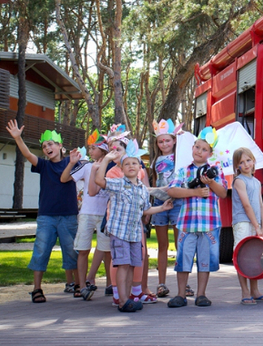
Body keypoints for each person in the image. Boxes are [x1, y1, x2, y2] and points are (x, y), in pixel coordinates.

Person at [94, 140, 173, 313]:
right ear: (122, 168)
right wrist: (106, 160)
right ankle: (122, 301)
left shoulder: (142, 189)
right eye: (127, 164)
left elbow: (145, 210)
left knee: (131, 265)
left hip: (135, 234)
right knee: (123, 265)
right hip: (120, 232)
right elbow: (99, 181)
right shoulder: (118, 183)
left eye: (134, 163)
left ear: (140, 168)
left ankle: (128, 298)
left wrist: (162, 208)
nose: (131, 166)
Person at [5, 120, 78, 304]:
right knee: (41, 250)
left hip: (68, 215)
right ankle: (37, 288)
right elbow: (27, 154)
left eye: (50, 144)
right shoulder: (44, 166)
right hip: (46, 216)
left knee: (72, 251)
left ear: (60, 146)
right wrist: (18, 138)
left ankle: (78, 284)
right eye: (44, 146)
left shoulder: (71, 162)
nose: (47, 148)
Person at [165, 127, 228, 308]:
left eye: (204, 149)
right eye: (197, 147)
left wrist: (211, 182)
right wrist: (195, 192)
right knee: (183, 259)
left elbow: (223, 193)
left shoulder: (215, 171)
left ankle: (201, 294)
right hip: (187, 223)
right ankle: (181, 294)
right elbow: (172, 190)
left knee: (205, 260)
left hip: (209, 224)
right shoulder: (183, 171)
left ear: (210, 154)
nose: (199, 151)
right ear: (192, 148)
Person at [60, 131, 111, 301]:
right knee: (83, 249)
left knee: (107, 250)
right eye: (89, 148)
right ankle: (82, 285)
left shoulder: (112, 167)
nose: (90, 151)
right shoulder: (87, 166)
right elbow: (64, 178)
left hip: (105, 214)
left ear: (103, 150)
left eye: (93, 148)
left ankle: (110, 284)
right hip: (87, 214)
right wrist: (71, 163)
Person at [231, 147, 263, 305]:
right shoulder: (239, 181)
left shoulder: (256, 182)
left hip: (256, 223)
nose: (246, 164)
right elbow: (246, 205)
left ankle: (255, 290)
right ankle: (245, 291)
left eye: (248, 160)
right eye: (242, 162)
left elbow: (261, 206)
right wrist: (256, 225)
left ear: (254, 161)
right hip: (243, 222)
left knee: (254, 256)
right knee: (242, 255)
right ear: (237, 166)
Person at [150, 118, 184, 298]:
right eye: (161, 141)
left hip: (178, 202)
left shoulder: (181, 157)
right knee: (162, 245)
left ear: (174, 140)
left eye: (167, 140)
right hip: (160, 203)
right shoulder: (155, 160)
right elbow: (156, 181)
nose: (164, 144)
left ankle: (183, 284)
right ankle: (161, 283)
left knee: (181, 244)